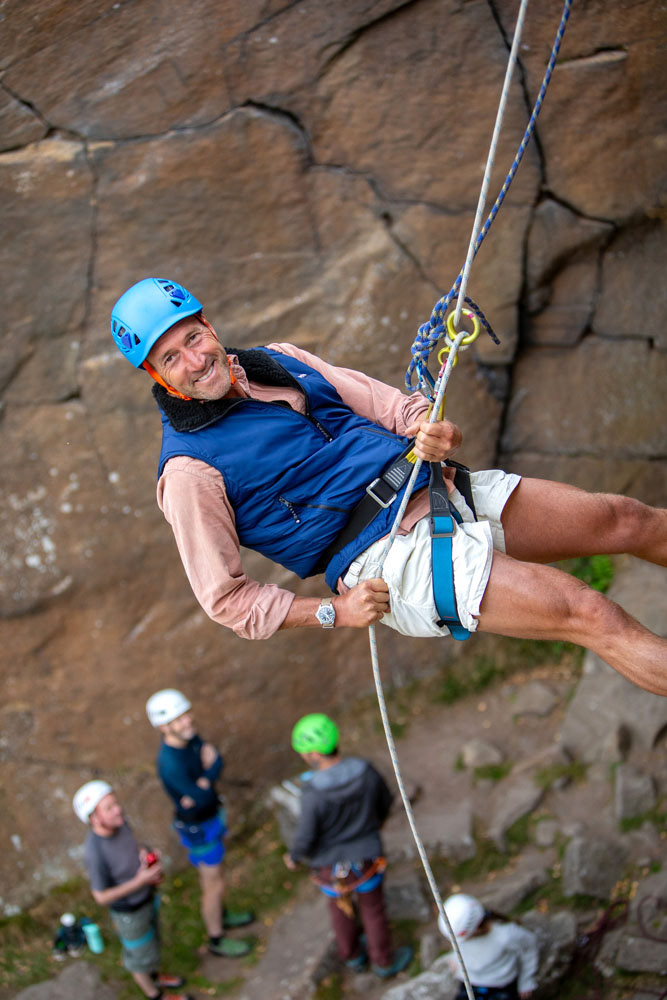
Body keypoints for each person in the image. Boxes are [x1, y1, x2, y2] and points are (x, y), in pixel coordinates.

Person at [110, 278, 667, 694]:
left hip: (435, 485)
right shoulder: (189, 471)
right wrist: (334, 611)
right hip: (386, 557)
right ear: (155, 376)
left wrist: (433, 427)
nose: (195, 360)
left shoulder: (278, 361)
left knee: (627, 519)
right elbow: (226, 601)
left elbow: (395, 409)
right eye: (171, 358)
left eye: (193, 337)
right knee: (588, 612)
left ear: (208, 325)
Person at [283, 713, 413, 979]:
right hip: (366, 858)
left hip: (329, 866)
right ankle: (383, 961)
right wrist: (373, 826)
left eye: (304, 752)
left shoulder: (313, 793)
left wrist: (294, 857)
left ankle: (352, 956)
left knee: (339, 910)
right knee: (373, 910)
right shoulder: (365, 771)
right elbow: (385, 802)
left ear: (314, 754)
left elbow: (306, 835)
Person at [146, 689, 254, 958]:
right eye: (179, 719)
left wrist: (208, 775)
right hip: (198, 828)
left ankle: (222, 915)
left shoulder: (190, 738)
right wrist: (208, 775)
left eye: (187, 714)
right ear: (164, 727)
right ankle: (216, 938)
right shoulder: (170, 763)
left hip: (208, 817)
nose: (188, 721)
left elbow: (216, 763)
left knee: (217, 878)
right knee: (213, 884)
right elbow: (203, 792)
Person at [73, 780, 192, 1000]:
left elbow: (133, 846)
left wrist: (146, 853)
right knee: (138, 959)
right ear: (94, 818)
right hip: (129, 913)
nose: (118, 810)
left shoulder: (120, 823)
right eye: (109, 808)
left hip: (147, 897)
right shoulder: (95, 853)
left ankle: (156, 975)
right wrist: (139, 881)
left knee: (152, 944)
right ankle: (156, 995)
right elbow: (100, 897)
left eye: (116, 803)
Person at [438, 893, 539, 999]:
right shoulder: (465, 933)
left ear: (476, 930)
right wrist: (455, 959)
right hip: (471, 981)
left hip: (500, 985)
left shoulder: (505, 935)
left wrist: (526, 980)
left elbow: (529, 947)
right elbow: (460, 947)